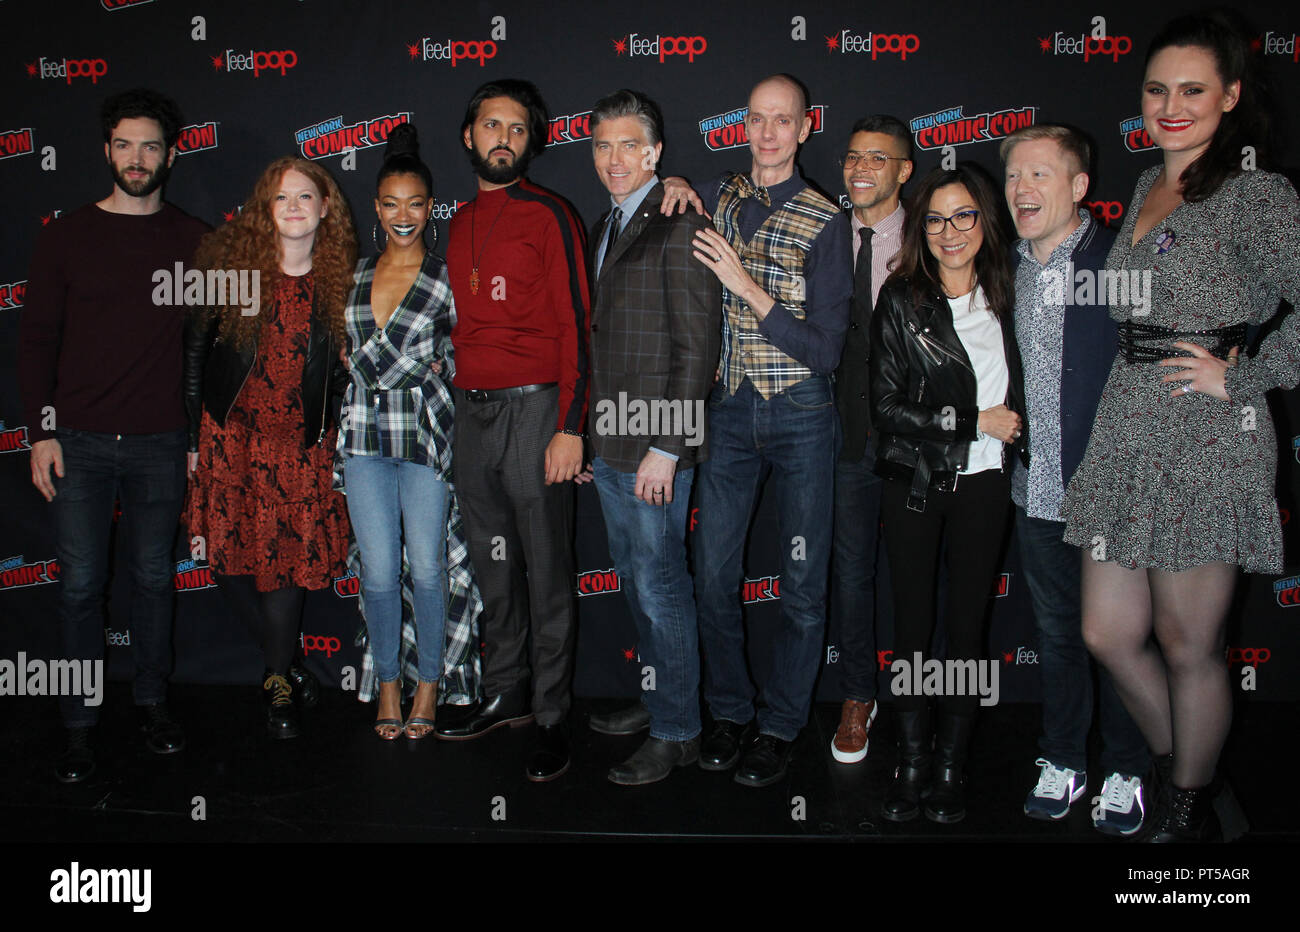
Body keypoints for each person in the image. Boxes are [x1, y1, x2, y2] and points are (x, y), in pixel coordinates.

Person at [1060, 12, 1299, 842]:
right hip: (1128, 419)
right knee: (1107, 631)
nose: (1172, 105)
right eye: (1158, 89)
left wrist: (1244, 374)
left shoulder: (1258, 193)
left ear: (1231, 97)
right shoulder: (1141, 186)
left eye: (1193, 89)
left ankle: (1188, 805)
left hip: (1208, 428)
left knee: (1187, 643)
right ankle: (1188, 772)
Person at [19, 88, 207, 783]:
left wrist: (197, 436)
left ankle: (154, 704)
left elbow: (212, 345)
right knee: (78, 588)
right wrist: (40, 431)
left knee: (156, 580)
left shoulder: (195, 240)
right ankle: (77, 724)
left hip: (161, 442)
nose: (137, 157)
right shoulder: (65, 235)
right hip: (80, 442)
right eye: (125, 144)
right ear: (106, 150)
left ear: (172, 154)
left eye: (151, 145)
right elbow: (36, 340)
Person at [687, 74, 852, 787]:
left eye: (782, 121)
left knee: (803, 583)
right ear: (742, 125)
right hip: (728, 411)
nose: (768, 132)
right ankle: (730, 711)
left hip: (802, 415)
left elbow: (827, 350)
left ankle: (782, 723)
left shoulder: (826, 219)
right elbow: (677, 207)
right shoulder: (723, 195)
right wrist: (668, 185)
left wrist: (748, 289)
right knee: (714, 574)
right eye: (756, 119)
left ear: (806, 127)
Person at [432, 79, 591, 784]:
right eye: (491, 125)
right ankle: (506, 693)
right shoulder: (457, 221)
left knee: (548, 572)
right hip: (472, 415)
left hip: (536, 414)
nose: (503, 137)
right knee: (493, 566)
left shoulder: (551, 214)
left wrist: (570, 427)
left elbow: (576, 327)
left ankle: (553, 715)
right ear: (469, 136)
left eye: (517, 128)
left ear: (533, 141)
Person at [1000, 124, 1151, 834]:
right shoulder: (1009, 269)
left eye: (1040, 175)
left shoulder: (1119, 262)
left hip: (1111, 495)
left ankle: (1127, 768)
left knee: (1115, 641)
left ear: (1080, 186)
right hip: (1036, 492)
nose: (1023, 190)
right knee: (1059, 636)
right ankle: (1064, 758)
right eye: (1014, 177)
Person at [869, 164, 1026, 823]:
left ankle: (952, 762)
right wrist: (970, 421)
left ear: (985, 220)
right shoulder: (902, 298)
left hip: (985, 489)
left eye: (963, 215)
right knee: (911, 627)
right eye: (934, 218)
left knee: (967, 630)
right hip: (917, 487)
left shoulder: (1012, 293)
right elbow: (884, 407)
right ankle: (910, 758)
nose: (949, 231)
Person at [183, 156, 356, 739]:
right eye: (282, 199)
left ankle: (277, 686)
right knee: (227, 561)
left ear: (325, 208)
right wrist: (192, 440)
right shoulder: (229, 271)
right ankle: (287, 664)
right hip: (230, 440)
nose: (293, 208)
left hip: (299, 449)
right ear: (266, 209)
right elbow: (194, 359)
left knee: (282, 570)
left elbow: (341, 376)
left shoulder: (344, 283)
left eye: (305, 197)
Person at [581, 89, 721, 785]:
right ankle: (659, 695)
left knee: (661, 587)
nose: (615, 158)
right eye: (603, 144)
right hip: (609, 445)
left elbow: (699, 348)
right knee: (639, 585)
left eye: (630, 145)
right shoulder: (602, 224)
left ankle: (677, 730)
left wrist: (668, 447)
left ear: (656, 153)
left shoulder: (680, 221)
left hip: (656, 448)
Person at [337, 123, 459, 740]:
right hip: (362, 438)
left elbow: (469, 355)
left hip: (424, 437)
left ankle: (430, 684)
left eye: (415, 202)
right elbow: (341, 354)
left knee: (429, 569)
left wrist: (442, 364)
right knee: (380, 572)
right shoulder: (354, 277)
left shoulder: (446, 276)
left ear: (430, 207)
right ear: (376, 208)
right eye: (391, 203)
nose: (403, 214)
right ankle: (388, 682)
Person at [829, 115, 913, 766]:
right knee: (851, 577)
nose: (861, 169)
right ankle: (859, 694)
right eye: (854, 157)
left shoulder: (935, 234)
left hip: (920, 443)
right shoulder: (828, 235)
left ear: (903, 171)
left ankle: (922, 702)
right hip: (847, 440)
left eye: (877, 159)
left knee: (923, 579)